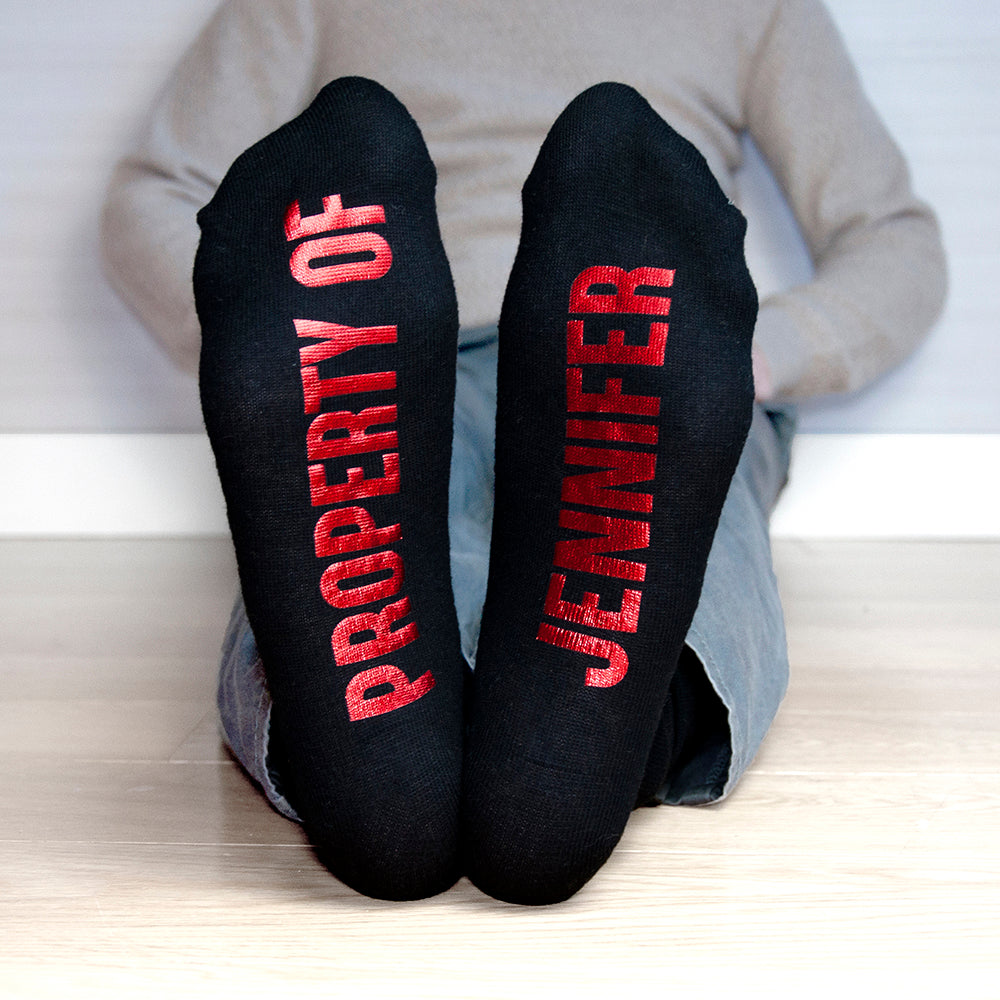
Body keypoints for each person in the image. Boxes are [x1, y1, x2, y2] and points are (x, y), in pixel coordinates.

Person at [101, 0, 946, 905]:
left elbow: (896, 243)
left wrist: (750, 357)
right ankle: (564, 757)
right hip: (391, 360)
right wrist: (270, 343)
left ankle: (398, 762)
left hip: (642, 355)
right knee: (613, 558)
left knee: (368, 546)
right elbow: (152, 197)